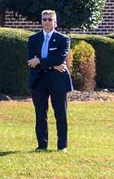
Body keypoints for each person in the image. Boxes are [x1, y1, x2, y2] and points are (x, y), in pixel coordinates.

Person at [26, 9, 72, 152]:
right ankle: (42, 146)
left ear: (55, 22)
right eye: (44, 19)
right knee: (40, 114)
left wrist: (40, 60)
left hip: (58, 79)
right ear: (41, 21)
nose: (47, 21)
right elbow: (31, 61)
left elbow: (60, 59)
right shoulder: (33, 39)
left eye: (49, 19)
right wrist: (51, 63)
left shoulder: (63, 39)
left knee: (60, 114)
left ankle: (62, 146)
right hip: (39, 79)